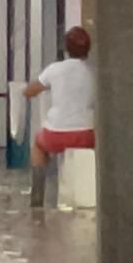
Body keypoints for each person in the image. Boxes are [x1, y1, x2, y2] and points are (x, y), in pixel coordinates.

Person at [24, 27, 95, 169]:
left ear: (66, 49)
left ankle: (39, 186)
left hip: (56, 134)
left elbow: (29, 92)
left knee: (38, 144)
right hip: (86, 135)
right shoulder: (93, 71)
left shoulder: (55, 69)